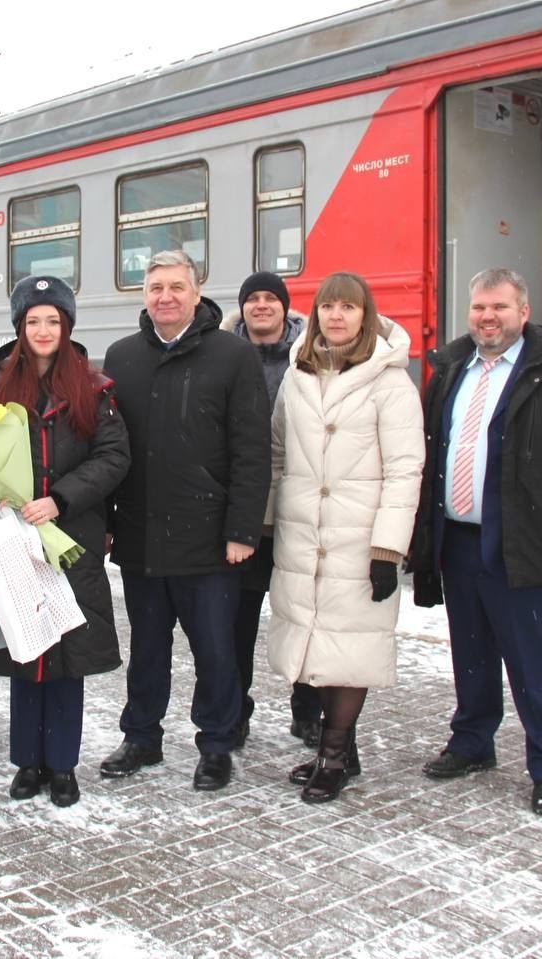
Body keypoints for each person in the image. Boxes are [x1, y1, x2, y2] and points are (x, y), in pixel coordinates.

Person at [409, 268, 542, 816]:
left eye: (499, 307)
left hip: (524, 543)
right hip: (459, 539)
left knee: (534, 661)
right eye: (478, 308)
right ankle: (473, 741)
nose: (487, 317)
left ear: (523, 312)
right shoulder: (451, 370)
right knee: (470, 652)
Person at [100, 250, 270, 791]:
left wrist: (243, 530)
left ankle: (217, 744)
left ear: (197, 295)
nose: (165, 297)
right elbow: (110, 450)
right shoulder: (122, 357)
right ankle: (141, 737)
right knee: (147, 647)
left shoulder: (232, 355)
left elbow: (252, 450)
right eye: (155, 288)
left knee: (215, 650)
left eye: (177, 287)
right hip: (142, 536)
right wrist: (107, 522)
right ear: (143, 295)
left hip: (210, 539)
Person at [0, 276, 130, 806]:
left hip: (68, 539)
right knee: (25, 649)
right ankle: (26, 763)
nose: (42, 329)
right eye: (33, 320)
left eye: (52, 320)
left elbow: (113, 457)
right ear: (19, 328)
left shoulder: (94, 390)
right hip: (13, 539)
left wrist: (60, 498)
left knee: (66, 652)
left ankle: (62, 764)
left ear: (67, 327)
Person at [265, 272, 424, 803]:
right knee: (318, 642)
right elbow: (278, 454)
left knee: (350, 646)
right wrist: (267, 523)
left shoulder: (390, 381)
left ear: (366, 316)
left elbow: (406, 470)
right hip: (303, 535)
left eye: (348, 308)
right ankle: (341, 751)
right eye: (327, 306)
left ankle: (333, 754)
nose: (336, 316)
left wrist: (388, 549)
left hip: (360, 539)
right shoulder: (298, 375)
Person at [219, 271, 318, 749]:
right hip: (244, 514)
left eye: (270, 298)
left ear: (285, 306)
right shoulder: (221, 355)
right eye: (252, 298)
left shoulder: (312, 356)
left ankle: (309, 710)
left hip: (299, 510)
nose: (261, 306)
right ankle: (236, 711)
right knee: (236, 621)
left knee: (302, 615)